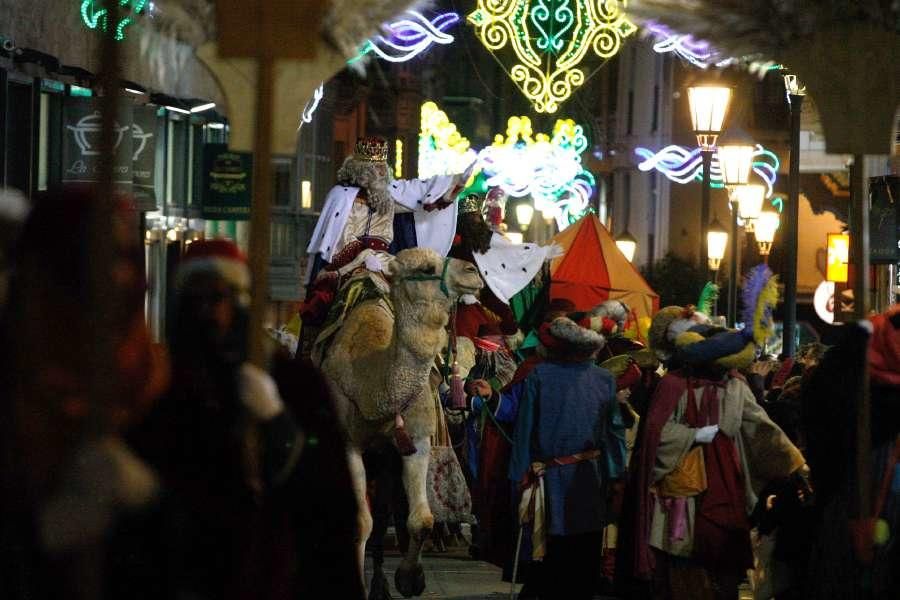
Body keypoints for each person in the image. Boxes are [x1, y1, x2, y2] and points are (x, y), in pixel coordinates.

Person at [126, 240, 307, 600]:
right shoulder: (156, 378)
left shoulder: (288, 379)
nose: (210, 313)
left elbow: (314, 484)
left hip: (258, 563)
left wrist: (277, 422)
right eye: (197, 301)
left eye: (219, 299)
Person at [621, 280, 806, 600]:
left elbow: (762, 429)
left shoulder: (735, 386)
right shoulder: (674, 385)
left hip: (725, 484)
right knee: (683, 567)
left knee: (723, 566)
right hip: (681, 497)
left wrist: (796, 464)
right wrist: (693, 435)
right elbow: (656, 436)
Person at [509, 314, 627, 599]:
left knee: (550, 557)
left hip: (551, 483)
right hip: (590, 480)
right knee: (585, 559)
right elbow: (615, 434)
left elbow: (525, 430)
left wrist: (518, 476)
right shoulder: (605, 379)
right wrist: (616, 476)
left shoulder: (539, 375)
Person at [301, 136, 469, 326]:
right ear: (359, 169)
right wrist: (363, 255)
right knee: (324, 300)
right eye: (374, 168)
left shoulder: (388, 196)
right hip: (349, 260)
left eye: (382, 167)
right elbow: (340, 236)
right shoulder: (341, 196)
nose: (380, 172)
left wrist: (455, 181)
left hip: (386, 260)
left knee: (419, 294)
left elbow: (420, 193)